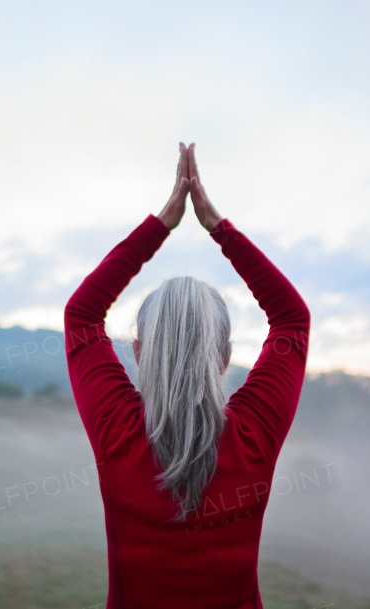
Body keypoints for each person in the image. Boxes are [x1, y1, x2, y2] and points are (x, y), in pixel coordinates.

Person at [65, 142, 311, 608]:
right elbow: (292, 319)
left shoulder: (117, 433)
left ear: (138, 353)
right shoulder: (253, 436)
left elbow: (81, 315)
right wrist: (219, 228)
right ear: (224, 358)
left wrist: (161, 225)